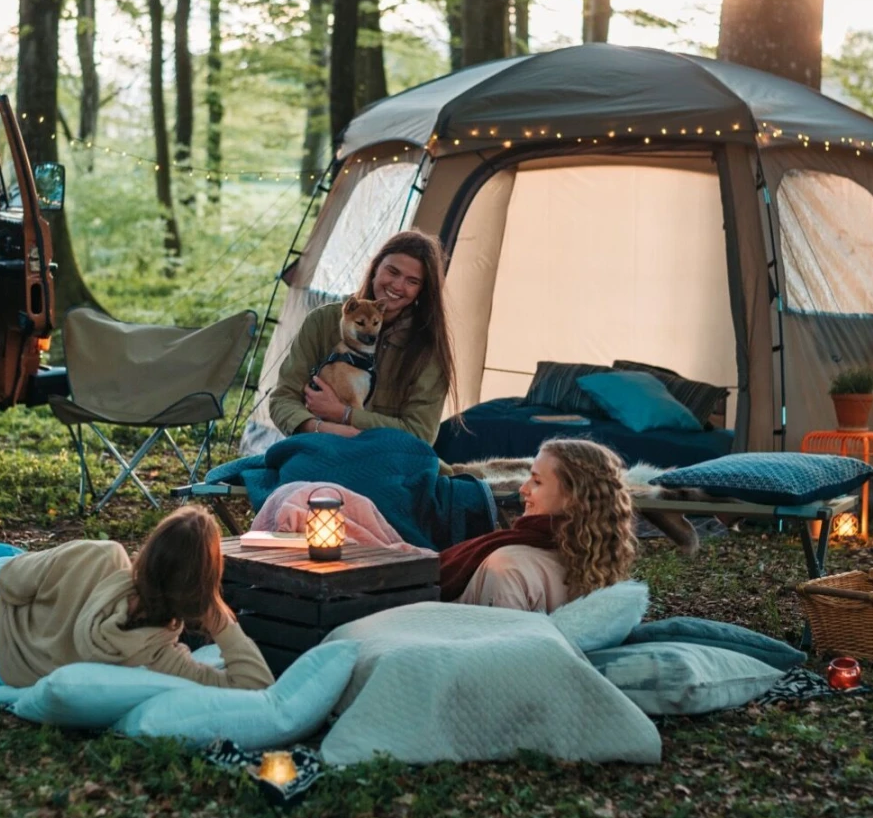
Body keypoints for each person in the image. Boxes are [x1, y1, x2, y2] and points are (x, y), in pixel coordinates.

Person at [0, 506, 274, 691]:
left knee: (4, 559)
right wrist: (219, 618)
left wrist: (55, 578)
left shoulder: (102, 557)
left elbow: (11, 583)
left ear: (150, 551)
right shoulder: (157, 654)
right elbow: (256, 685)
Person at [268, 230, 456, 445]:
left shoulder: (428, 348)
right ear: (375, 268)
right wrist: (320, 428)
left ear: (422, 291)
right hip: (319, 445)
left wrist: (345, 415)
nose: (397, 285)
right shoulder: (323, 321)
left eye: (412, 281)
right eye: (392, 272)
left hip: (388, 459)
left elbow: (420, 434)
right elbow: (283, 398)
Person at [440, 438, 639, 613]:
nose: (523, 488)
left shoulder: (507, 566)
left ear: (572, 497)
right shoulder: (599, 562)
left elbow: (503, 651)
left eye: (536, 481)